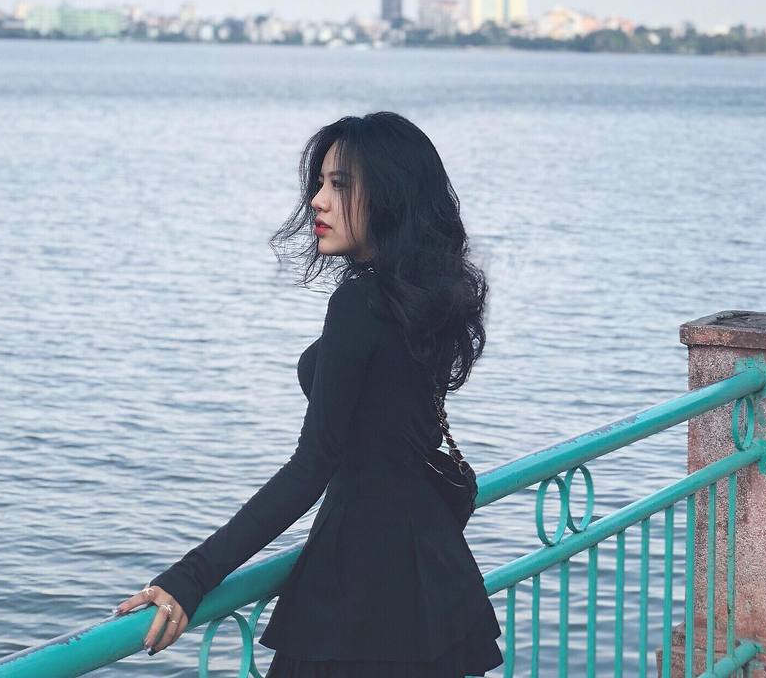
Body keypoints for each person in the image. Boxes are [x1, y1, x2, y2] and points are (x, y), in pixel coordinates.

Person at [114, 111, 504, 676]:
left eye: (339, 184)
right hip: (429, 581)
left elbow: (311, 465)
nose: (318, 200)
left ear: (391, 196)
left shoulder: (360, 304)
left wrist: (191, 577)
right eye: (319, 182)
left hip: (359, 593)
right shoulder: (423, 299)